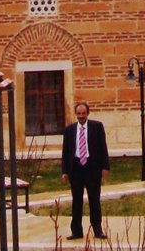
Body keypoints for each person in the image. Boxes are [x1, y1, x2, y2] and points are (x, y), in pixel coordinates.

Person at [61, 100, 110, 240]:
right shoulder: (69, 130)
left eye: (83, 113)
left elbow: (103, 147)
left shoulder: (97, 127)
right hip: (76, 168)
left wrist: (105, 167)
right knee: (76, 201)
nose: (81, 116)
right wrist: (64, 171)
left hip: (92, 167)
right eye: (78, 113)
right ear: (76, 114)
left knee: (94, 200)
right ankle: (76, 231)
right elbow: (65, 152)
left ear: (88, 113)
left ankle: (98, 229)